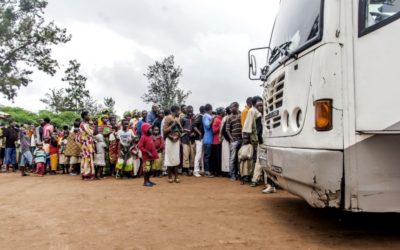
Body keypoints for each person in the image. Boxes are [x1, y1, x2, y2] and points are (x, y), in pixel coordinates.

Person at [253, 99, 277, 193]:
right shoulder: (258, 118)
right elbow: (258, 132)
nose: (259, 107)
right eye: (258, 106)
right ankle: (270, 185)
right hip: (262, 144)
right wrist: (260, 143)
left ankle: (272, 185)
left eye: (261, 105)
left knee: (271, 164)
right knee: (265, 164)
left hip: (271, 144)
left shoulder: (270, 116)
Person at [243, 96, 263, 181]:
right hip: (254, 138)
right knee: (255, 157)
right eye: (259, 103)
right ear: (254, 103)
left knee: (257, 157)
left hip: (259, 137)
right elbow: (247, 126)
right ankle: (253, 177)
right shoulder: (251, 111)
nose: (261, 105)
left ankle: (256, 176)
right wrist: (246, 139)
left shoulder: (258, 111)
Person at [163, 105, 182, 183]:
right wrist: (172, 125)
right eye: (179, 111)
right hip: (169, 140)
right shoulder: (168, 118)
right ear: (175, 111)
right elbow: (165, 131)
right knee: (169, 157)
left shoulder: (177, 118)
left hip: (176, 140)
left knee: (176, 157)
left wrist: (179, 134)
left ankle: (176, 176)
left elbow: (181, 129)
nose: (180, 112)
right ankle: (170, 176)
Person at [138, 123, 159, 187]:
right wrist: (147, 152)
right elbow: (139, 146)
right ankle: (145, 182)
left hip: (151, 156)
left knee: (150, 169)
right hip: (146, 156)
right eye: (149, 128)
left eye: (150, 128)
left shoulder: (150, 136)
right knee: (146, 169)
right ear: (145, 129)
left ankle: (148, 180)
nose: (151, 129)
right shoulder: (143, 137)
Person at [226, 102, 242, 181]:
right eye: (230, 107)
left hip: (242, 140)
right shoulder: (229, 117)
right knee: (232, 158)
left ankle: (239, 174)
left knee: (240, 158)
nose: (230, 109)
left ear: (236, 107)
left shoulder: (241, 115)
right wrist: (232, 139)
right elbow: (227, 130)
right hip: (234, 141)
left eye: (232, 107)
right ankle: (232, 175)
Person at [77, 111, 95, 180]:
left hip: (85, 143)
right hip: (87, 143)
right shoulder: (84, 124)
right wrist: (92, 126)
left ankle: (84, 173)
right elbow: (91, 132)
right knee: (88, 158)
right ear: (84, 116)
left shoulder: (83, 124)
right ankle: (87, 174)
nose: (89, 116)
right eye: (88, 115)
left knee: (85, 158)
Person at [181, 105, 195, 176]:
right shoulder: (183, 119)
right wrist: (185, 130)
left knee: (192, 155)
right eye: (189, 111)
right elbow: (180, 128)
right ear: (186, 111)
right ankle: (185, 170)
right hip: (185, 138)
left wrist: (194, 133)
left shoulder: (194, 118)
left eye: (191, 111)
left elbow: (196, 127)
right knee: (185, 154)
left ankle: (191, 169)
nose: (190, 112)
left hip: (192, 139)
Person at [211, 107, 224, 176]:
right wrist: (221, 126)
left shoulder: (221, 119)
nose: (224, 112)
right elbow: (214, 130)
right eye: (223, 111)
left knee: (219, 157)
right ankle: (216, 172)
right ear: (221, 113)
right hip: (216, 141)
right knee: (216, 158)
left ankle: (218, 171)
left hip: (219, 141)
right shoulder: (217, 120)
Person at [192, 106, 205, 177]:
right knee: (199, 154)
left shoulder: (200, 117)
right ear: (204, 111)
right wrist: (200, 133)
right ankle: (195, 171)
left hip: (201, 138)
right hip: (199, 139)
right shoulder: (200, 117)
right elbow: (194, 125)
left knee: (202, 154)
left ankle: (202, 169)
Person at [202, 104, 214, 177]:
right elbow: (207, 125)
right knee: (207, 156)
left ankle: (208, 170)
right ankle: (206, 171)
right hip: (207, 139)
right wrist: (212, 119)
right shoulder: (206, 116)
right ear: (210, 109)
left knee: (209, 156)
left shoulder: (207, 116)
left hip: (210, 139)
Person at [220, 106, 231, 173]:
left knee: (225, 155)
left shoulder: (225, 118)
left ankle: (226, 170)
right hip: (226, 138)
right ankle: (227, 170)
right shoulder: (227, 118)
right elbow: (224, 130)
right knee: (227, 155)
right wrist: (228, 139)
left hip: (225, 138)